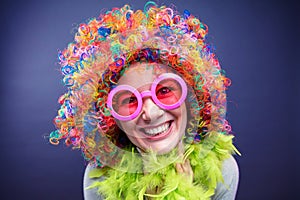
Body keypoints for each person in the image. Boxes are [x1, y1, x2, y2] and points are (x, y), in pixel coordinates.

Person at [50, 2, 240, 199]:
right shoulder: (98, 179)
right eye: (129, 100)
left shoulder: (222, 171)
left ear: (192, 98)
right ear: (109, 119)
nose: (151, 113)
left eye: (165, 90)